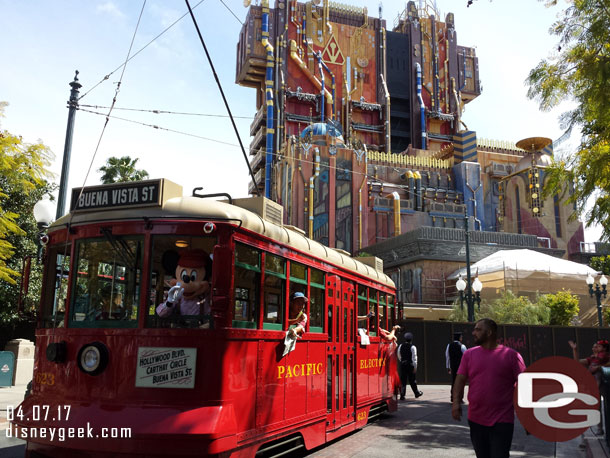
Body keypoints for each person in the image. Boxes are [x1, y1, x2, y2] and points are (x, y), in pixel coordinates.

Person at [452, 318, 525, 458]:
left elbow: (525, 383)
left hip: (502, 420)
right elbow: (460, 379)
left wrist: (528, 417)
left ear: (490, 332)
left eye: (478, 329)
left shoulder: (512, 356)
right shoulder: (469, 354)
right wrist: (456, 403)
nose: (473, 333)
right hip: (476, 418)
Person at [568, 339, 609, 435]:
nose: (594, 348)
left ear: (603, 348)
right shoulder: (592, 358)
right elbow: (577, 362)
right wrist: (575, 350)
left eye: (597, 346)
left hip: (605, 384)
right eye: (595, 346)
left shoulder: (605, 355)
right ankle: (600, 429)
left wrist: (599, 367)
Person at [156, 249, 212, 318]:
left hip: (199, 328)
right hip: (180, 328)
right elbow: (161, 314)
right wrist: (169, 302)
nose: (187, 284)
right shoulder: (177, 295)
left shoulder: (206, 296)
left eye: (193, 278)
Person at [397, 332, 423, 400]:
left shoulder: (400, 346)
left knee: (403, 380)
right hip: (410, 365)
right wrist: (415, 367)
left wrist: (402, 361)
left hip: (403, 364)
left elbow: (399, 354)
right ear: (411, 340)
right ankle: (416, 393)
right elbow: (414, 358)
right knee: (412, 380)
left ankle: (402, 395)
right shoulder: (413, 347)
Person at [446, 332, 467, 402]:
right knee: (460, 382)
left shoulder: (449, 345)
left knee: (454, 381)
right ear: (459, 338)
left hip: (452, 366)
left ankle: (452, 397)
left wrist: (448, 367)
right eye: (461, 337)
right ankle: (459, 398)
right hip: (461, 367)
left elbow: (447, 357)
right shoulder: (462, 346)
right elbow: (466, 356)